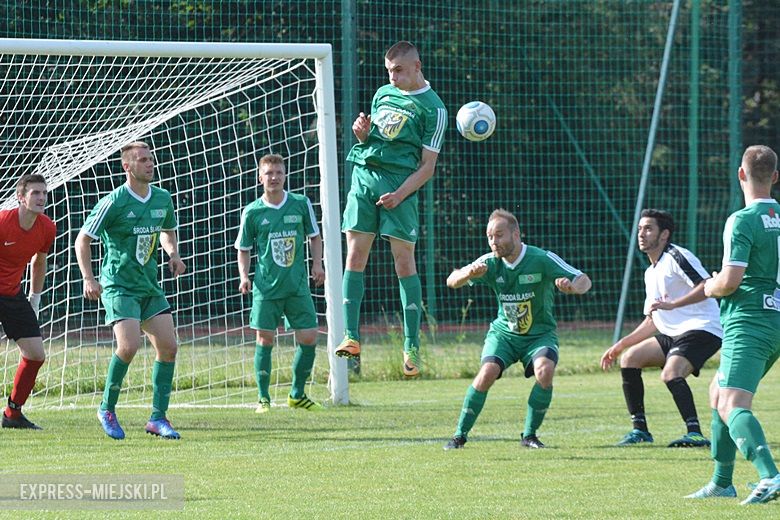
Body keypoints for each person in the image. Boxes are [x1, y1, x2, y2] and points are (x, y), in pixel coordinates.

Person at [335, 40, 447, 378]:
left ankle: (411, 347)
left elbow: (427, 168)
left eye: (398, 70)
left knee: (403, 262)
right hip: (365, 178)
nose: (392, 77)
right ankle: (351, 337)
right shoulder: (383, 93)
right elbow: (373, 141)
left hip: (401, 185)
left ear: (417, 66)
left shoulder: (434, 109)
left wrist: (399, 194)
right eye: (389, 71)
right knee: (355, 255)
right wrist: (362, 134)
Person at [443, 209, 591, 450]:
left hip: (539, 336)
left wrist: (573, 288)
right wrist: (468, 273)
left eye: (499, 235)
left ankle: (529, 436)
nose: (494, 242)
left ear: (516, 233)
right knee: (487, 373)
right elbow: (452, 280)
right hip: (504, 335)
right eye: (490, 237)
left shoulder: (541, 258)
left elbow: (583, 279)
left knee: (545, 371)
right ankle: (459, 436)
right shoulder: (489, 262)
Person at [687, 145, 780, 504]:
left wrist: (710, 286)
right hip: (774, 320)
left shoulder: (742, 219)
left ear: (741, 174)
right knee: (717, 392)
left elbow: (729, 282)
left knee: (731, 402)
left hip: (750, 321)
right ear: (775, 177)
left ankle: (770, 475)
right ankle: (722, 482)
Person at [75, 141, 186, 440]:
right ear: (127, 166)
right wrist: (88, 278)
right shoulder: (114, 202)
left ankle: (158, 418)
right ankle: (106, 409)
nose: (150, 164)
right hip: (118, 285)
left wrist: (173, 254)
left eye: (151, 159)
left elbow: (167, 230)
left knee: (169, 347)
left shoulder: (162, 198)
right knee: (129, 346)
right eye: (142, 160)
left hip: (148, 285)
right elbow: (82, 240)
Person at [600, 209, 722, 448]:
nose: (641, 234)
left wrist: (673, 304)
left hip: (703, 329)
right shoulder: (650, 272)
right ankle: (640, 431)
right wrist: (620, 345)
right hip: (674, 334)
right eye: (639, 229)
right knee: (630, 359)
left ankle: (695, 434)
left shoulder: (677, 256)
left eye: (648, 229)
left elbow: (706, 286)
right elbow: (653, 320)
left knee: (670, 374)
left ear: (664, 234)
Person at [235, 154, 326, 413]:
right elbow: (243, 248)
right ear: (260, 177)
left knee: (309, 337)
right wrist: (244, 276)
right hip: (266, 288)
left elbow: (314, 236)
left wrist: (317, 264)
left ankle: (297, 394)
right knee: (265, 340)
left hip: (297, 285)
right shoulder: (253, 212)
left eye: (278, 173)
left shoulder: (300, 203)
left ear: (285, 175)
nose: (274, 177)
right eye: (269, 173)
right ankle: (263, 398)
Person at [0, 174, 56, 430]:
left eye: (44, 193)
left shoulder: (47, 227)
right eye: (35, 193)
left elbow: (39, 261)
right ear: (21, 198)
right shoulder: (3, 222)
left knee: (35, 355)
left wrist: (35, 298)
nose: (41, 197)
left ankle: (12, 414)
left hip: (13, 295)